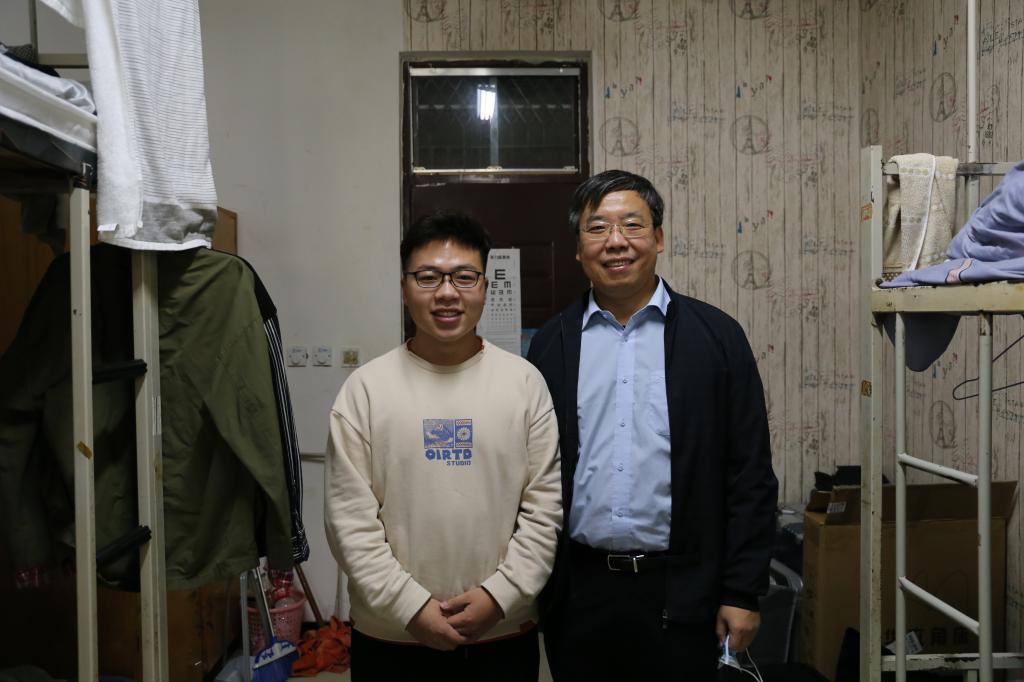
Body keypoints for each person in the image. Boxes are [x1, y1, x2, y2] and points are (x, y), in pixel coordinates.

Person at [526, 170, 778, 680]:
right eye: (598, 228)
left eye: (632, 225)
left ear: (658, 238)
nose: (616, 241)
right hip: (579, 595)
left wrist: (741, 590)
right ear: (578, 249)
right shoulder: (551, 344)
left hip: (685, 594)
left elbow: (750, 473)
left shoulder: (717, 338)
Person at [324, 212, 562, 682]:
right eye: (428, 277)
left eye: (464, 277)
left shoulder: (524, 383)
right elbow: (348, 520)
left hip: (502, 631)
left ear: (485, 287)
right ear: (404, 287)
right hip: (391, 635)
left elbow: (544, 510)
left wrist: (498, 597)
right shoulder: (365, 390)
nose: (447, 293)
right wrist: (409, 607)